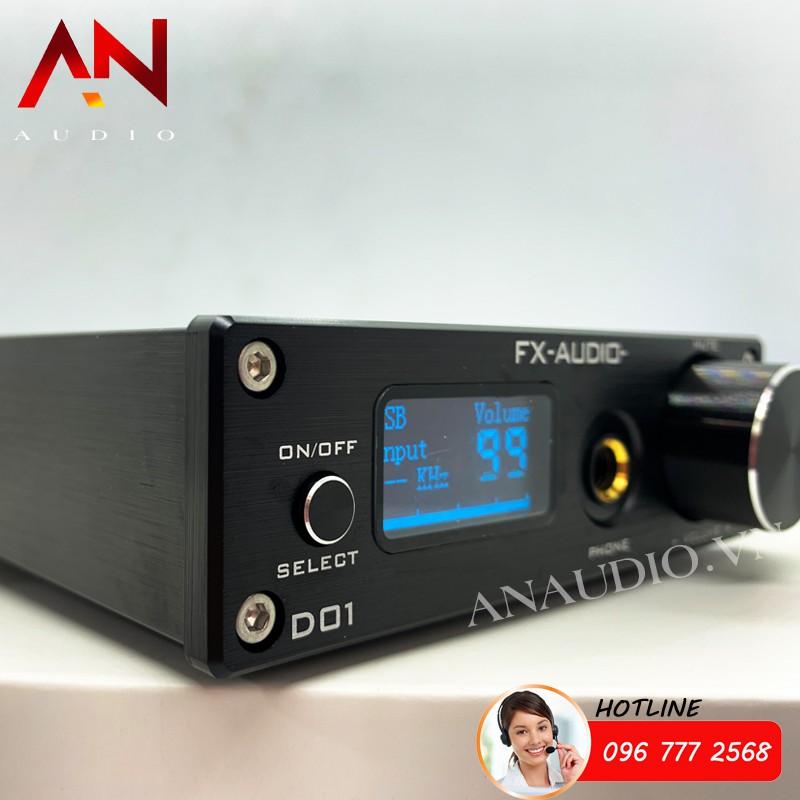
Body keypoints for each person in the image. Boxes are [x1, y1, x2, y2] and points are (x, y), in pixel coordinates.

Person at [496, 690, 585, 796]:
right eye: (522, 732)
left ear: (553, 731)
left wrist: (575, 782)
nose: (535, 740)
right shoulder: (496, 791)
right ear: (507, 738)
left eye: (542, 728)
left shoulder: (569, 781)